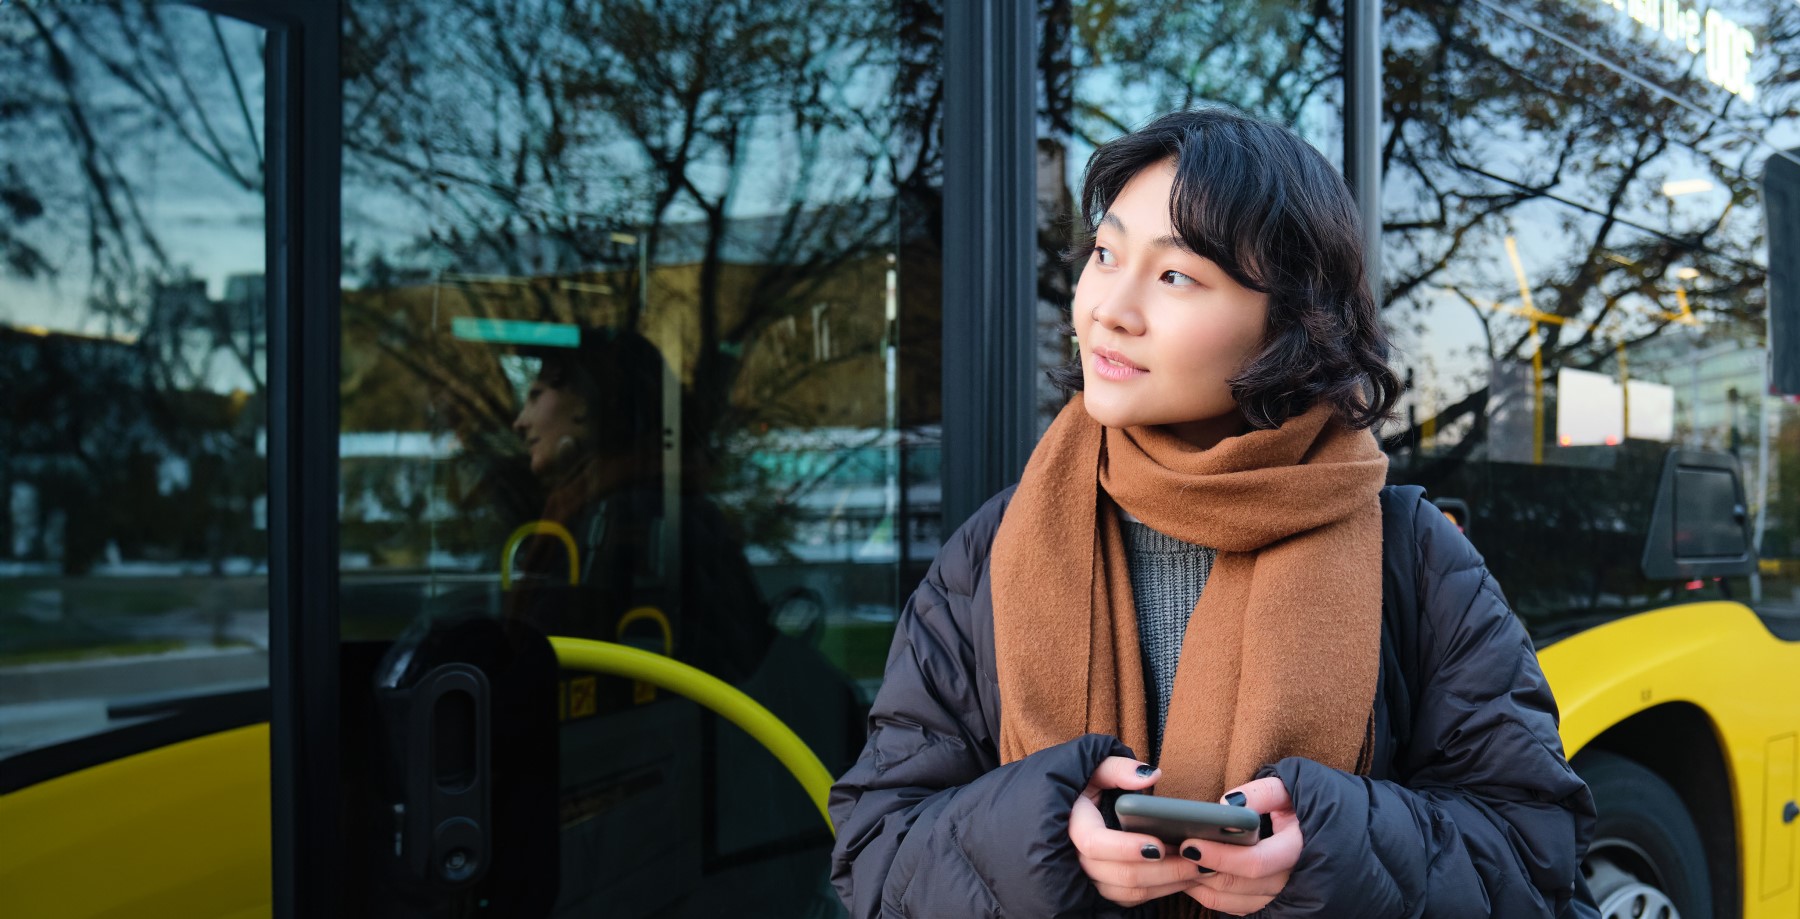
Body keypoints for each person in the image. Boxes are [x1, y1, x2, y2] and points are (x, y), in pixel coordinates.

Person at [828, 108, 1598, 918]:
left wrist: (1329, 852)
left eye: (1175, 276)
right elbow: (879, 845)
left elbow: (1532, 850)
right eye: (1104, 254)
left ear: (1292, 322)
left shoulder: (1411, 554)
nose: (1109, 309)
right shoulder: (993, 548)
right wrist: (1048, 835)